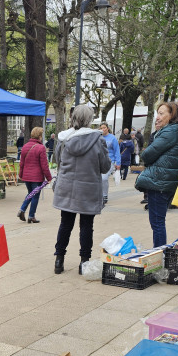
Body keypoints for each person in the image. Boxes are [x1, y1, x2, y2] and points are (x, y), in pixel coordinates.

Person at [51, 104, 111, 275]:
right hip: (88, 189)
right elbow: (105, 167)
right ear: (90, 119)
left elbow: (58, 161)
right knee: (86, 226)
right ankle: (84, 262)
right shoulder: (98, 140)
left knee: (65, 224)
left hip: (67, 188)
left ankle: (59, 259)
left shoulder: (64, 138)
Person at [134, 102, 178, 247]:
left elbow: (147, 155)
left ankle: (159, 255)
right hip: (167, 183)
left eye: (161, 113)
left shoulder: (170, 132)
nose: (158, 117)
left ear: (171, 115)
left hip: (159, 182)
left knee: (157, 223)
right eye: (157, 113)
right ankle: (160, 253)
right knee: (158, 221)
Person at [16, 126, 51, 223]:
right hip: (36, 177)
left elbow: (21, 163)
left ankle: (22, 210)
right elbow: (44, 165)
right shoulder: (41, 148)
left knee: (30, 193)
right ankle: (31, 216)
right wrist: (49, 177)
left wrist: (20, 174)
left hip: (27, 176)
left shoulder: (25, 146)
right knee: (35, 196)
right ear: (39, 136)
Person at [99, 124, 120, 205]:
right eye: (101, 128)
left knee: (104, 178)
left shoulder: (112, 138)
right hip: (99, 161)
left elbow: (117, 151)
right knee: (98, 178)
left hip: (110, 161)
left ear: (107, 128)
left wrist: (118, 163)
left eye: (104, 127)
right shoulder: (98, 138)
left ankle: (104, 196)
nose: (103, 129)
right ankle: (99, 195)